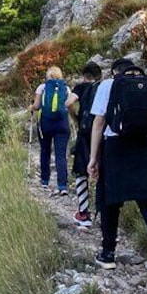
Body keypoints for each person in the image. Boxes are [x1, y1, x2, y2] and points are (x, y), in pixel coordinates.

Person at [87, 58, 147, 294]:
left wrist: (93, 158)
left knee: (111, 201)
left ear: (114, 72)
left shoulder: (108, 85)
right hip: (145, 148)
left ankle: (108, 254)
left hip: (115, 148)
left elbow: (99, 123)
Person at [64, 61, 102, 228]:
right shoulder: (104, 87)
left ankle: (84, 213)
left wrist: (76, 117)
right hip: (102, 133)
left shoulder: (80, 87)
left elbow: (68, 103)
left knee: (81, 172)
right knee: (104, 172)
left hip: (85, 133)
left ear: (83, 76)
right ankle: (104, 214)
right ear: (99, 76)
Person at [31, 66, 71, 195]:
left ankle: (44, 181)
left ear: (47, 76)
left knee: (45, 151)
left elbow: (37, 106)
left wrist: (30, 107)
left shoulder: (42, 88)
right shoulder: (66, 88)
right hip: (62, 124)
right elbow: (69, 107)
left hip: (45, 124)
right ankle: (62, 186)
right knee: (61, 155)